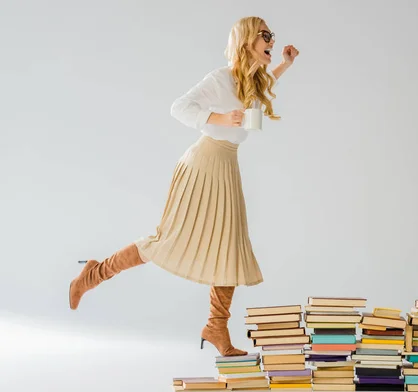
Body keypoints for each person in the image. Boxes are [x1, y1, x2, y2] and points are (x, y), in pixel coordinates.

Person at [68, 16, 299, 357]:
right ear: (248, 40)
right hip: (203, 164)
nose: (271, 41)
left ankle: (216, 326)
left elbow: (259, 92)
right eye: (265, 35)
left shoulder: (250, 81)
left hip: (227, 165)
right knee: (167, 240)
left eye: (272, 36)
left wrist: (284, 65)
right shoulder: (220, 78)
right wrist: (219, 118)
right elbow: (179, 107)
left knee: (229, 247)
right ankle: (93, 275)